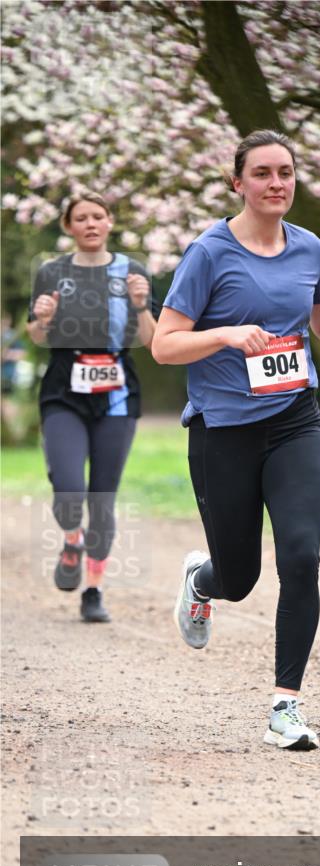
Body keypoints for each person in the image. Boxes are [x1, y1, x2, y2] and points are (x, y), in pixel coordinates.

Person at [152, 129, 320, 750]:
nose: (277, 183)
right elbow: (164, 346)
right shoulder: (209, 253)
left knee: (301, 556)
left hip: (295, 419)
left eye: (286, 172)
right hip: (223, 431)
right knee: (241, 577)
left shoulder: (310, 250)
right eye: (263, 173)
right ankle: (204, 580)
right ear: (238, 183)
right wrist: (225, 335)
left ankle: (286, 707)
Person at [27, 192, 156, 623]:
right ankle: (70, 540)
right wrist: (43, 319)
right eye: (80, 218)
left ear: (110, 221)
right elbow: (38, 337)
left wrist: (140, 306)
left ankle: (94, 589)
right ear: (68, 226)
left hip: (117, 391)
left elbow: (151, 340)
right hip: (64, 390)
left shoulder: (131, 271)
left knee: (102, 498)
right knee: (68, 488)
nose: (90, 224)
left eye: (97, 216)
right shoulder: (52, 272)